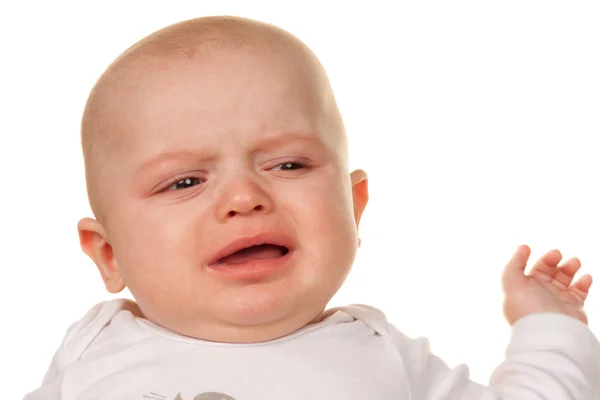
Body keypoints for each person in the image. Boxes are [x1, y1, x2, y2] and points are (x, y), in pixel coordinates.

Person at [24, 15, 600, 400]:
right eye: (184, 182)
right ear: (108, 253)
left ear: (353, 208)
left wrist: (549, 327)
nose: (245, 198)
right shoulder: (92, 353)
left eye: (289, 165)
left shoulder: (386, 362)